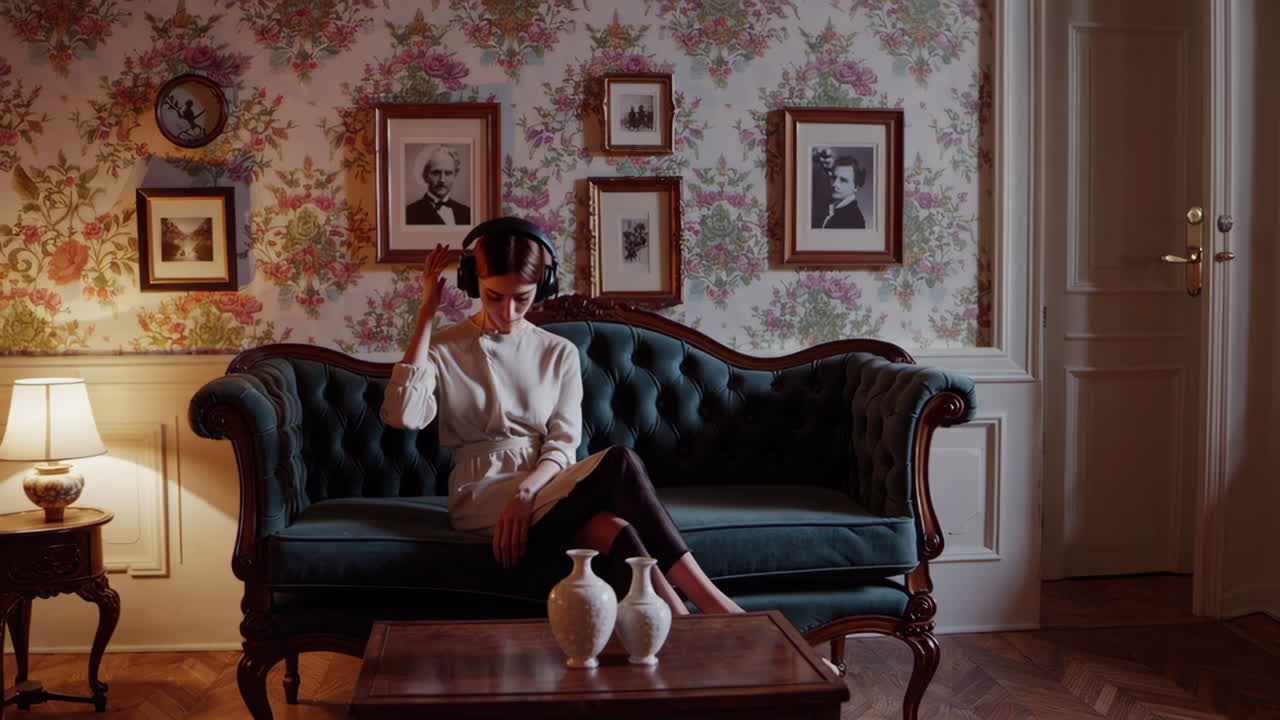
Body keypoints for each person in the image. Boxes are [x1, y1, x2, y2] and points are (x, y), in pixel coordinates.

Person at [380, 223, 743, 616]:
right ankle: (717, 606)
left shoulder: (559, 352)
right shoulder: (445, 349)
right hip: (481, 492)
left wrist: (526, 492)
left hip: (545, 483)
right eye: (493, 296)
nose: (507, 312)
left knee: (614, 528)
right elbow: (404, 415)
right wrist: (427, 314)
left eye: (521, 298)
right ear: (473, 283)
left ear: (544, 285)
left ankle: (678, 621)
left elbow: (562, 443)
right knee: (619, 463)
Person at [405, 145, 471, 225]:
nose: (442, 180)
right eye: (436, 173)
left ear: (455, 175)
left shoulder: (467, 213)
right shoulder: (409, 213)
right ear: (425, 175)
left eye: (448, 173)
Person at [819, 156, 867, 229]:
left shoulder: (853, 220)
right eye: (834, 178)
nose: (834, 184)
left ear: (856, 187)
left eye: (843, 180)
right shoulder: (831, 209)